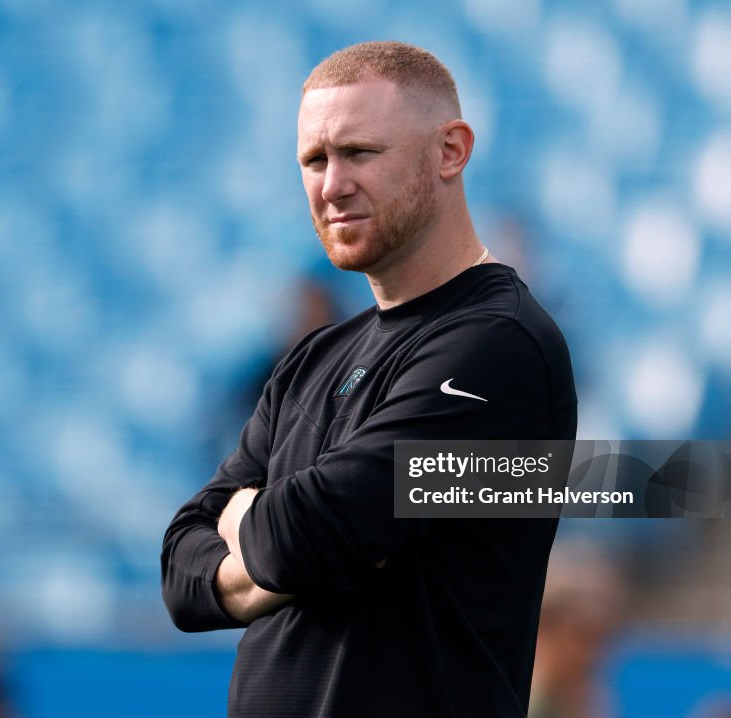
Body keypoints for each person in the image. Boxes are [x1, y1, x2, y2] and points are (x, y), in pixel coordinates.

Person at [161, 41, 577, 717]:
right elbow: (181, 569)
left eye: (359, 153)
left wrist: (254, 523)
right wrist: (298, 544)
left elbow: (312, 532)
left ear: (450, 151)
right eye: (313, 160)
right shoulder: (308, 360)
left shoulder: (500, 345)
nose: (331, 185)